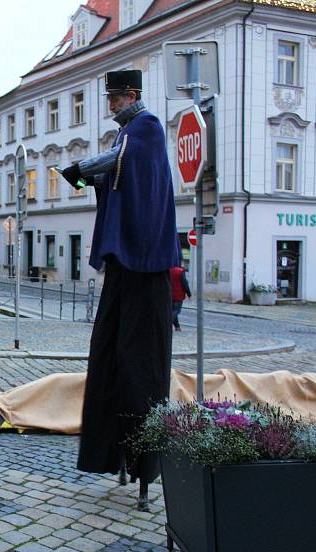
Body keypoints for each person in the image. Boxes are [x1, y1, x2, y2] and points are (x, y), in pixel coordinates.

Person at [60, 70, 181, 511]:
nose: (109, 105)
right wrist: (83, 176)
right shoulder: (127, 134)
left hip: (142, 262)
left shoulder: (144, 126)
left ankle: (145, 467)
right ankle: (114, 456)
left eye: (113, 98)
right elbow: (116, 174)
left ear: (130, 95)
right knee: (110, 359)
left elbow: (122, 164)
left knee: (141, 370)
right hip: (124, 267)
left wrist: (81, 170)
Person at [169, 265, 191, 332]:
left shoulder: (169, 270)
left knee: (173, 311)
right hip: (178, 295)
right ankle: (168, 323)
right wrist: (189, 293)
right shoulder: (180, 271)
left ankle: (177, 327)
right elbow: (185, 283)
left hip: (170, 295)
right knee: (176, 311)